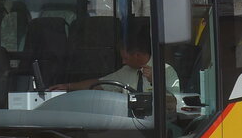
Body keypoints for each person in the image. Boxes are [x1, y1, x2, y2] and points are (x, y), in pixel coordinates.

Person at [52, 26, 180, 94]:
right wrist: (68, 86)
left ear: (137, 55)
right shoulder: (125, 72)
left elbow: (175, 102)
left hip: (159, 129)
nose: (123, 62)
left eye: (125, 58)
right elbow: (99, 84)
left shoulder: (166, 71)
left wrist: (156, 81)